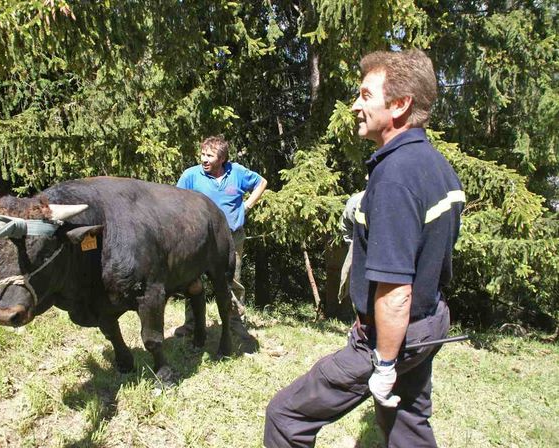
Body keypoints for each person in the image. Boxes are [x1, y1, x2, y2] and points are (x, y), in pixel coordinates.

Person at [264, 49, 465, 448]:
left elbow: (394, 292)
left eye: (365, 95)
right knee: (407, 423)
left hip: (389, 337)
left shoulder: (395, 177)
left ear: (400, 104)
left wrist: (385, 364)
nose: (355, 105)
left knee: (286, 415)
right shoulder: (435, 165)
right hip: (428, 324)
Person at [174, 135, 267, 339]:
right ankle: (192, 324)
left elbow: (261, 182)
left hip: (232, 237)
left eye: (210, 155)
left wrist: (247, 206)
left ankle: (236, 322)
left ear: (223, 158)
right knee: (193, 281)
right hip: (199, 241)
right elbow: (176, 202)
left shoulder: (237, 172)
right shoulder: (191, 175)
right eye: (203, 154)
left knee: (233, 281)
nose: (204, 159)